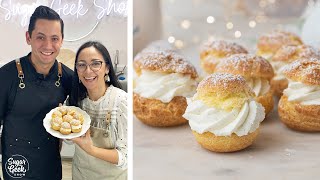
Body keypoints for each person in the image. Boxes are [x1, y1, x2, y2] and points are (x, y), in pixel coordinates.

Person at [0, 6, 73, 180]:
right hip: (16, 166)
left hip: (50, 166)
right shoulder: (6, 76)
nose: (48, 46)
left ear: (62, 40)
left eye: (54, 38)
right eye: (40, 37)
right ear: (28, 37)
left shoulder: (69, 77)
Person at [69, 41, 127, 179]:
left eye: (95, 63)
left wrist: (91, 150)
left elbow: (126, 157)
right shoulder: (75, 100)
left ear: (107, 68)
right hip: (80, 174)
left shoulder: (121, 102)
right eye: (82, 65)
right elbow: (71, 140)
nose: (88, 71)